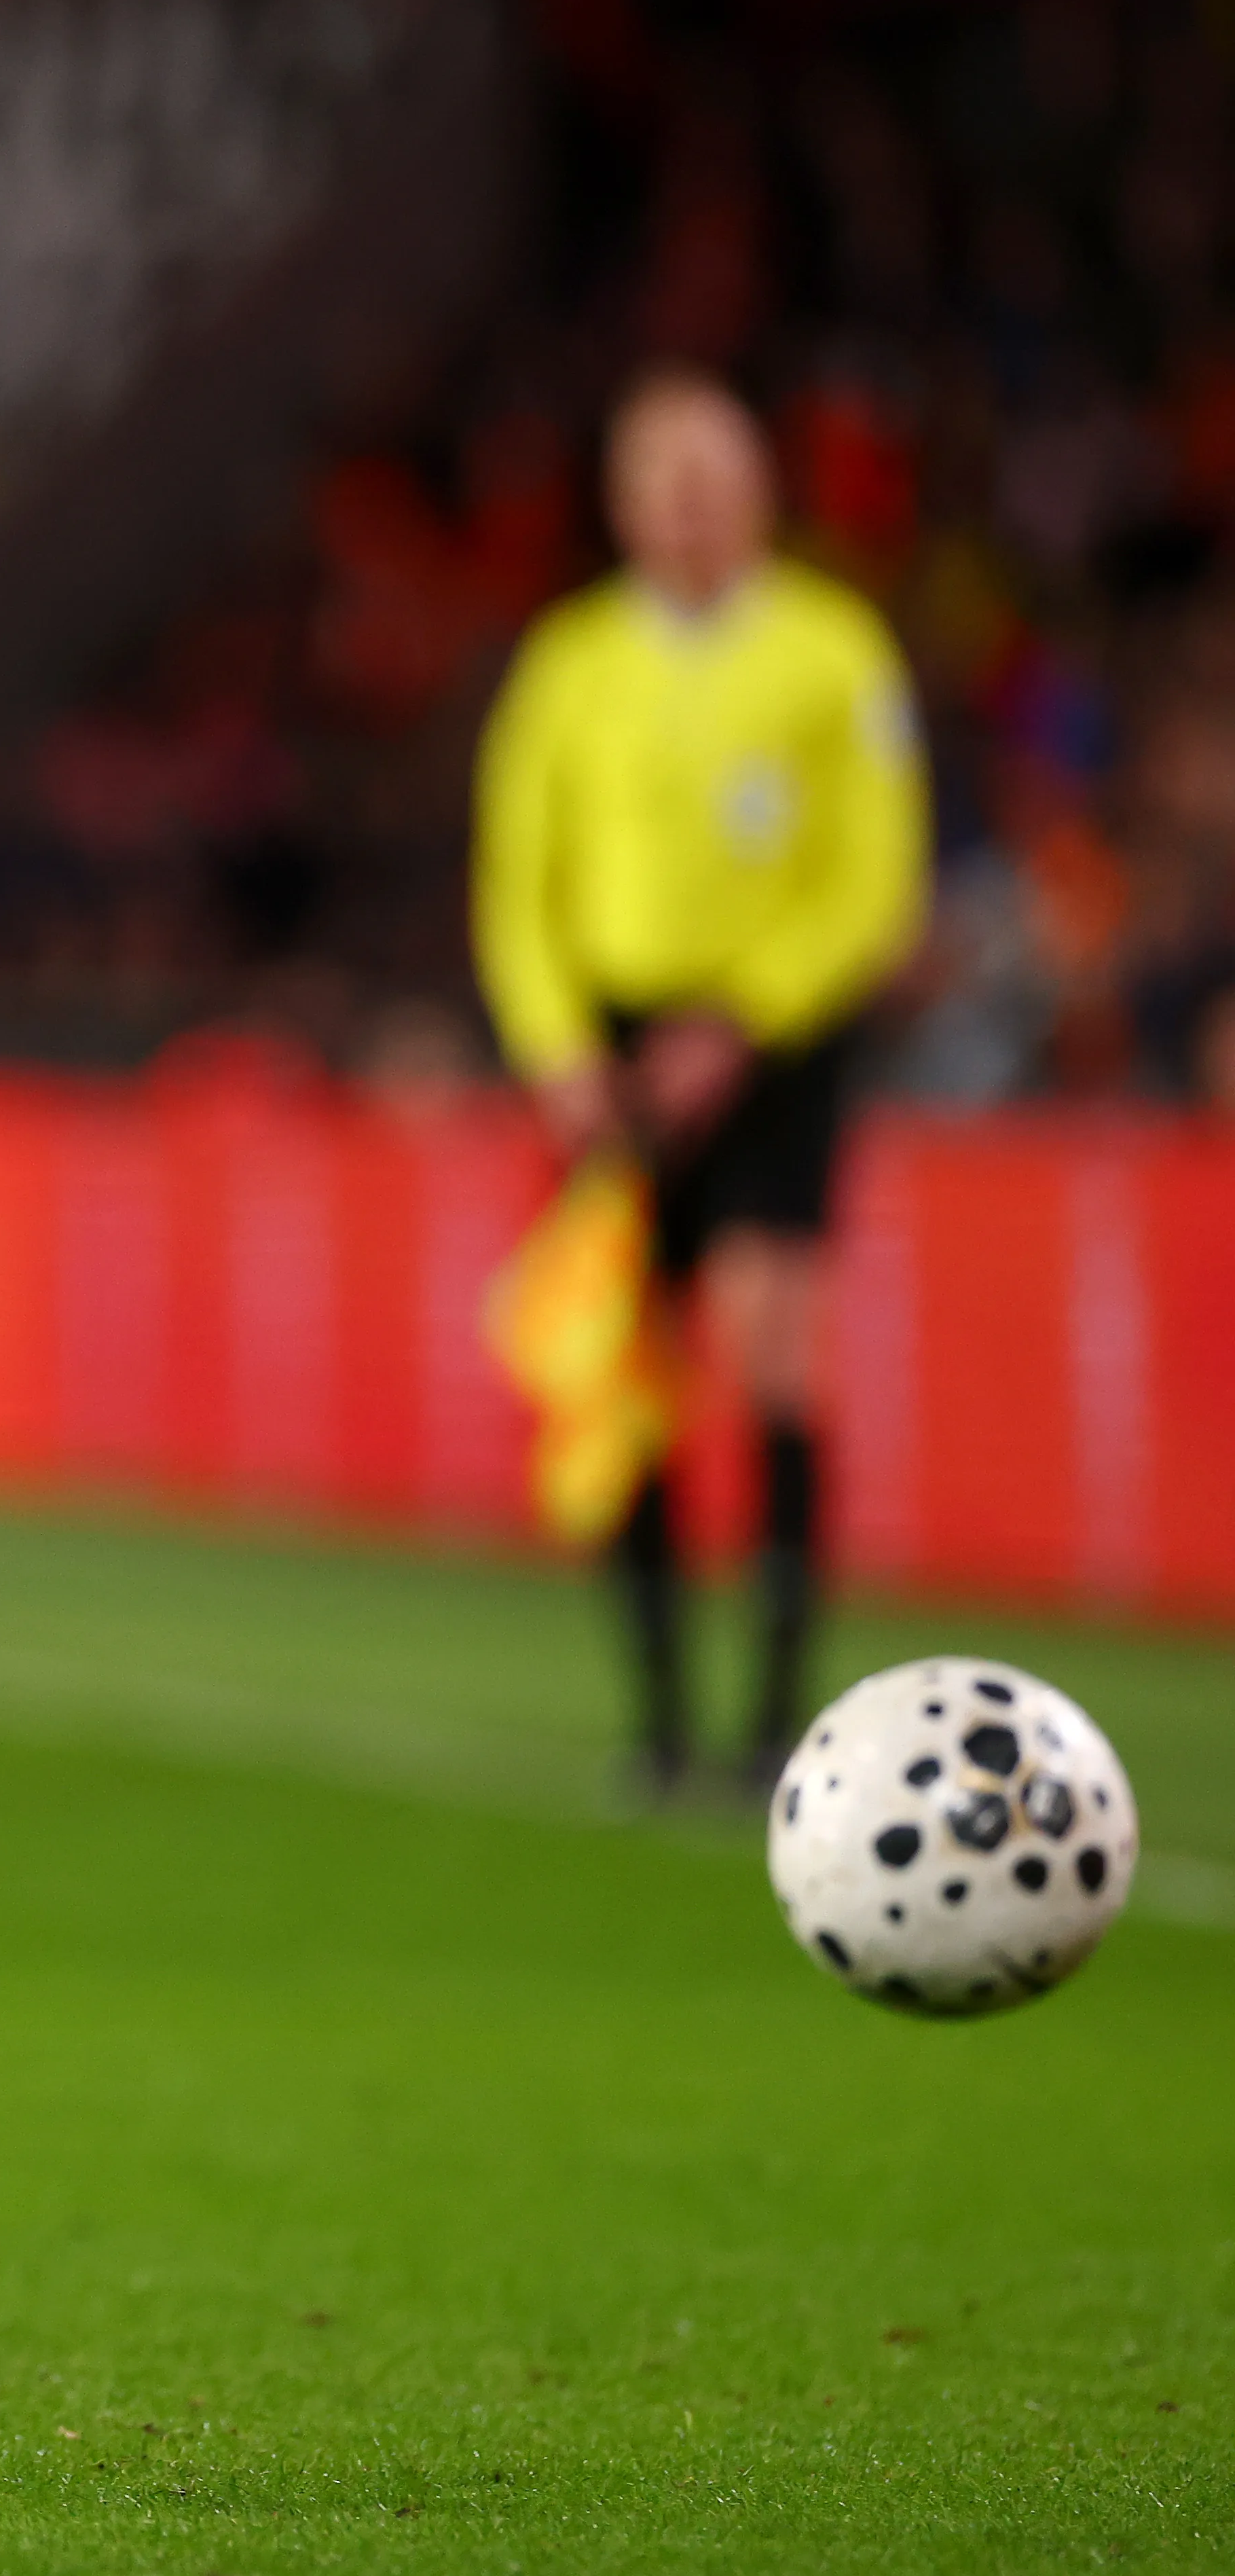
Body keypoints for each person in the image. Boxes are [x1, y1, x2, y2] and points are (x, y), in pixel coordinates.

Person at [473, 367, 927, 1802]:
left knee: (773, 1340)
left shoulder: (832, 652)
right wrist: (557, 1051)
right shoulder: (571, 662)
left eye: (710, 477)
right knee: (629, 1364)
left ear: (759, 494)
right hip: (612, 1046)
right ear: (619, 504)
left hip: (773, 1039)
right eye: (659, 479)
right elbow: (516, 878)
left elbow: (876, 876)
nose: (684, 505)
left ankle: (781, 1716)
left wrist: (748, 1017)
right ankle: (660, 1714)